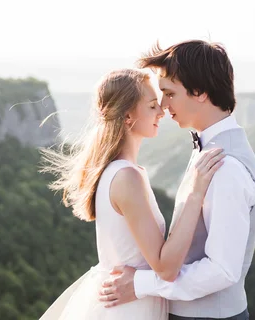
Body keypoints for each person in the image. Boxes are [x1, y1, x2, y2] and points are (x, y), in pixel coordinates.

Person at [98, 40, 255, 320]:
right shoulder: (209, 150)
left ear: (199, 92)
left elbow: (222, 270)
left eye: (169, 93)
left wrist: (141, 284)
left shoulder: (226, 166)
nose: (163, 105)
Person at [39, 68, 225, 319]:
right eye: (151, 106)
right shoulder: (127, 177)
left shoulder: (119, 171)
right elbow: (166, 268)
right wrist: (195, 193)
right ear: (128, 115)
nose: (161, 112)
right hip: (130, 310)